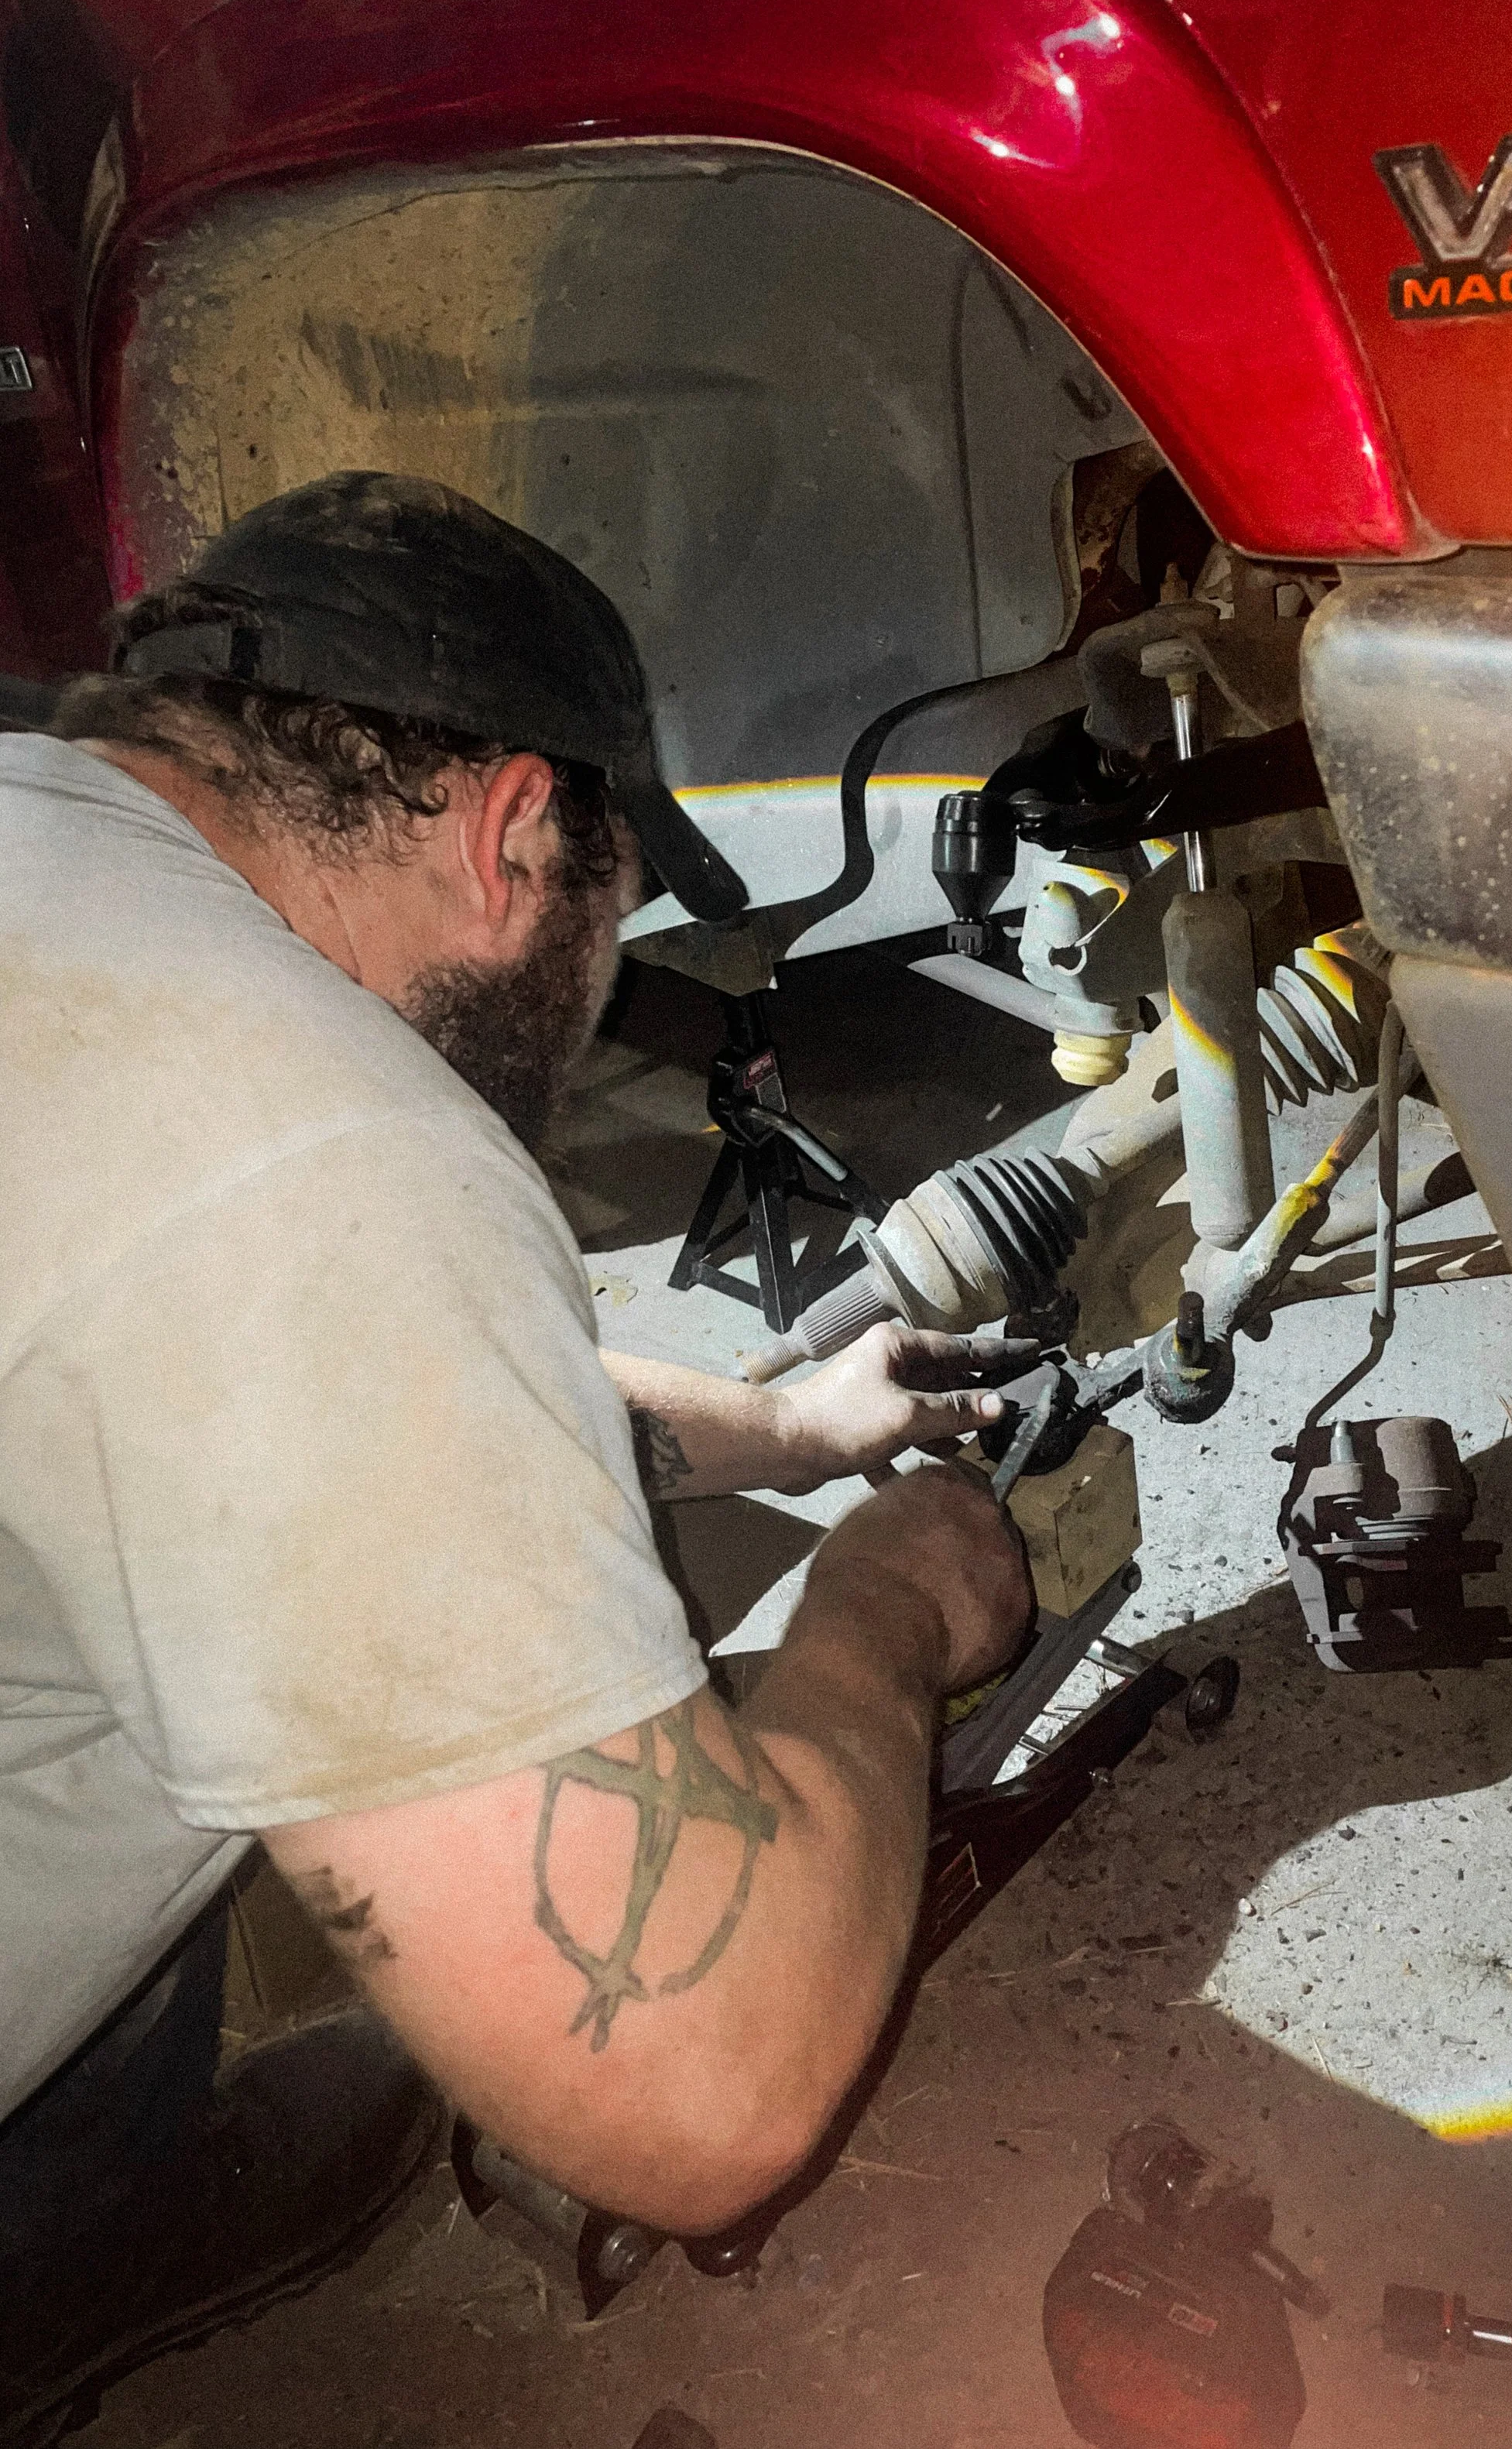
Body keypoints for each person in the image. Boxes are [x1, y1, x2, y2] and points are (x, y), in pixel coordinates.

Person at [0, 473, 1034, 2443]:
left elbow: (301, 1427)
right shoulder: (300, 1142)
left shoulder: (62, 897)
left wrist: (796, 1426)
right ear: (509, 836)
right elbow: (701, 2091)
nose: (591, 999)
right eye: (612, 919)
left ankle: (75, 2207)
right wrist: (882, 1610)